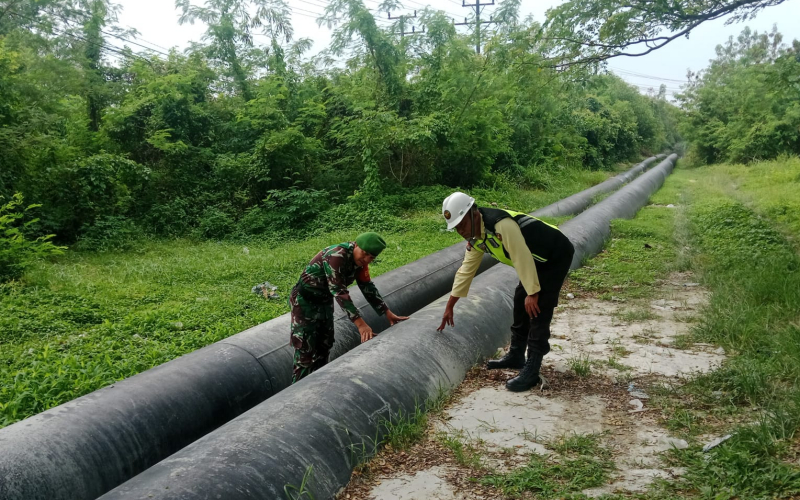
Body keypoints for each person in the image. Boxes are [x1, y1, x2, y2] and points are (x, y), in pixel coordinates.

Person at [437, 192, 574, 392]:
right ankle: (517, 355)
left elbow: (521, 256)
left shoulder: (500, 225)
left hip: (555, 255)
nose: (460, 231)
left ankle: (532, 370)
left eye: (462, 225)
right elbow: (466, 270)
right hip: (535, 260)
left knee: (538, 308)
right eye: (456, 228)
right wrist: (450, 305)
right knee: (520, 300)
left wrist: (533, 292)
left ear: (474, 214)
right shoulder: (476, 237)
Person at [290, 232, 408, 383]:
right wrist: (361, 325)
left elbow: (367, 286)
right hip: (305, 302)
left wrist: (386, 312)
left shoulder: (361, 263)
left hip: (324, 301)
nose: (365, 259)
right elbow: (339, 291)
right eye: (364, 254)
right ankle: (297, 392)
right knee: (306, 350)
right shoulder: (336, 256)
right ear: (356, 245)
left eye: (371, 258)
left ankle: (316, 386)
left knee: (324, 345)